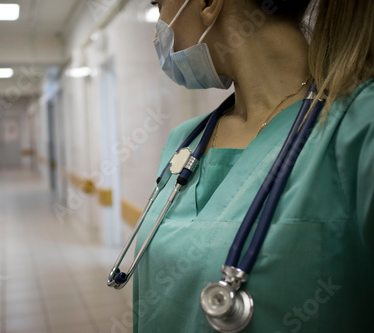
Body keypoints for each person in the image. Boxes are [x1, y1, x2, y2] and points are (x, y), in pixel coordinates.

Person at [132, 0, 374, 332]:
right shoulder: (185, 141)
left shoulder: (360, 127)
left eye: (158, 3)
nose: (158, 27)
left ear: (207, 4)